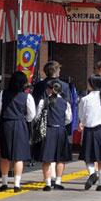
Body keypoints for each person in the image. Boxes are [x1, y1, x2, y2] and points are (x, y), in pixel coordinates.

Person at [32, 60, 71, 188]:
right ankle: (58, 181)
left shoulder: (39, 86)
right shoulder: (65, 86)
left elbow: (35, 108)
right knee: (61, 157)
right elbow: (69, 116)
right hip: (60, 126)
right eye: (58, 69)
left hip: (46, 126)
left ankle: (48, 182)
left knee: (46, 157)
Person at [0, 71, 35, 192]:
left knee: (5, 155)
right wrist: (23, 119)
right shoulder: (27, 96)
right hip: (20, 125)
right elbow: (31, 115)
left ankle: (4, 183)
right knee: (19, 156)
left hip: (6, 124)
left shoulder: (3, 93)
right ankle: (17, 184)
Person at [78, 75, 101, 191]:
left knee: (88, 157)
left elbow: (81, 116)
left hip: (89, 131)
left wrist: (82, 123)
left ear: (91, 85)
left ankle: (92, 174)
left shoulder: (85, 99)